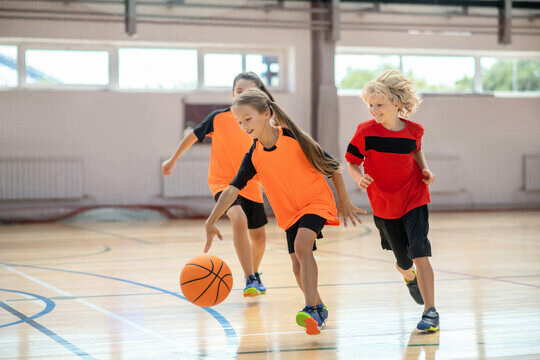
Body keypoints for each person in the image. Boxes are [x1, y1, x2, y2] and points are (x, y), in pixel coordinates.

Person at [204, 88, 367, 335]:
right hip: (289, 213)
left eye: (248, 119)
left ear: (266, 113)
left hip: (315, 201)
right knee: (296, 266)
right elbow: (231, 190)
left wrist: (343, 201)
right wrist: (211, 220)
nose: (243, 125)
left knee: (303, 247)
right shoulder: (253, 155)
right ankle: (319, 307)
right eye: (239, 122)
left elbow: (332, 167)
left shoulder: (293, 137)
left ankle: (310, 307)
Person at [162, 72, 273, 297]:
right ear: (233, 94)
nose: (243, 95)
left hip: (251, 185)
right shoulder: (218, 118)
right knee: (239, 219)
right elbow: (192, 136)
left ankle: (254, 274)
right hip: (222, 183)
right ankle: (251, 277)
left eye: (249, 92)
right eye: (239, 91)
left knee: (259, 238)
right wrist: (173, 158)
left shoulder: (262, 122)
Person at [345, 70, 439, 332]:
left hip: (414, 196)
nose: (374, 110)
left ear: (396, 103)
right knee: (404, 260)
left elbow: (416, 151)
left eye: (379, 104)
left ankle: (430, 311)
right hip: (384, 204)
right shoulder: (365, 132)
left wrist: (425, 170)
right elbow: (352, 161)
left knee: (420, 250)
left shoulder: (415, 130)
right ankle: (408, 276)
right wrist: (358, 177)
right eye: (370, 105)